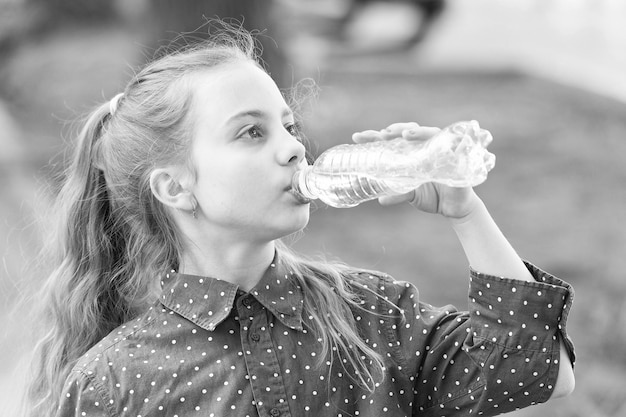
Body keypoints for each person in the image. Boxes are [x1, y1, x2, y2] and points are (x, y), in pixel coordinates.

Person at [23, 21, 575, 417]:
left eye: (288, 126)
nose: (293, 148)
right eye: (251, 132)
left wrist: (467, 212)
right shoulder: (117, 381)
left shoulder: (370, 315)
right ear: (175, 187)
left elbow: (539, 370)